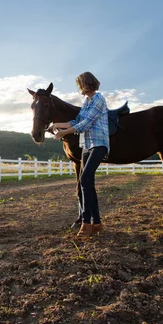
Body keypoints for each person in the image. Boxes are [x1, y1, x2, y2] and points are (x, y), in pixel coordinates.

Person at [48, 72, 110, 238]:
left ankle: (87, 223)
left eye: (79, 84)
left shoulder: (98, 99)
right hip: (86, 145)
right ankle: (97, 223)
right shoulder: (87, 102)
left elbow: (86, 123)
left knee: (84, 179)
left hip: (98, 144)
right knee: (87, 181)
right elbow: (76, 121)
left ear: (85, 84)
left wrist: (63, 133)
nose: (79, 88)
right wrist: (56, 125)